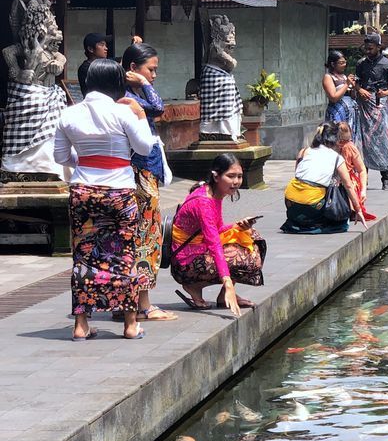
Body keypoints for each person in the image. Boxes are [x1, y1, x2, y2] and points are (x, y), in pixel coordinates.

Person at [53, 59, 156, 340]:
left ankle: (81, 325)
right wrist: (141, 115)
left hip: (83, 191)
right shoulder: (122, 112)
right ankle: (130, 324)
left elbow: (61, 158)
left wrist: (86, 160)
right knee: (125, 254)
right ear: (116, 84)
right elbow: (144, 147)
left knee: (83, 255)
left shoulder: (69, 115)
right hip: (119, 192)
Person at [120, 42, 177, 322]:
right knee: (145, 236)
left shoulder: (130, 95)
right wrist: (142, 82)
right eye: (150, 70)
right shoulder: (127, 99)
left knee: (144, 236)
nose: (153, 76)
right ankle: (141, 305)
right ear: (132, 69)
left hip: (144, 173)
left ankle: (134, 303)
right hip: (139, 174)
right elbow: (158, 107)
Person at [171, 153, 265, 316]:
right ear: (216, 176)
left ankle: (222, 296)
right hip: (186, 261)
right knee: (243, 257)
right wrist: (227, 282)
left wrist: (238, 226)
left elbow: (218, 229)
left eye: (239, 176)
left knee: (250, 235)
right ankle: (194, 285)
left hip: (197, 250)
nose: (236, 181)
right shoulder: (204, 202)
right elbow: (213, 241)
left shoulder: (214, 194)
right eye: (230, 176)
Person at [281, 121, 366, 234]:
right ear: (335, 139)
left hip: (290, 202)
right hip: (313, 205)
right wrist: (358, 210)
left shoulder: (303, 152)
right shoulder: (336, 158)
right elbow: (349, 185)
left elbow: (298, 176)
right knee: (339, 193)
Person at [355, 34, 388, 190]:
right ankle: (364, 179)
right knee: (364, 142)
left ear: (378, 47)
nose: (367, 51)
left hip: (380, 103)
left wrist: (386, 93)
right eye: (366, 48)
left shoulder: (387, 64)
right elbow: (356, 83)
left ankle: (385, 179)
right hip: (365, 104)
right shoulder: (361, 64)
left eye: (371, 48)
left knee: (381, 141)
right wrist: (360, 90)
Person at [338, 121, 375, 221]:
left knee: (349, 185)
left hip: (348, 180)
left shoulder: (350, 147)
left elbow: (362, 169)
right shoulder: (331, 147)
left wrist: (363, 191)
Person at [323, 50, 360, 144]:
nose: (344, 65)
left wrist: (354, 87)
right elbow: (333, 97)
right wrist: (347, 84)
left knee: (349, 140)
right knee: (337, 139)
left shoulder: (344, 76)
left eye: (345, 62)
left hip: (349, 113)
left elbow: (351, 95)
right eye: (341, 63)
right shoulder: (328, 77)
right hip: (337, 112)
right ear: (333, 64)